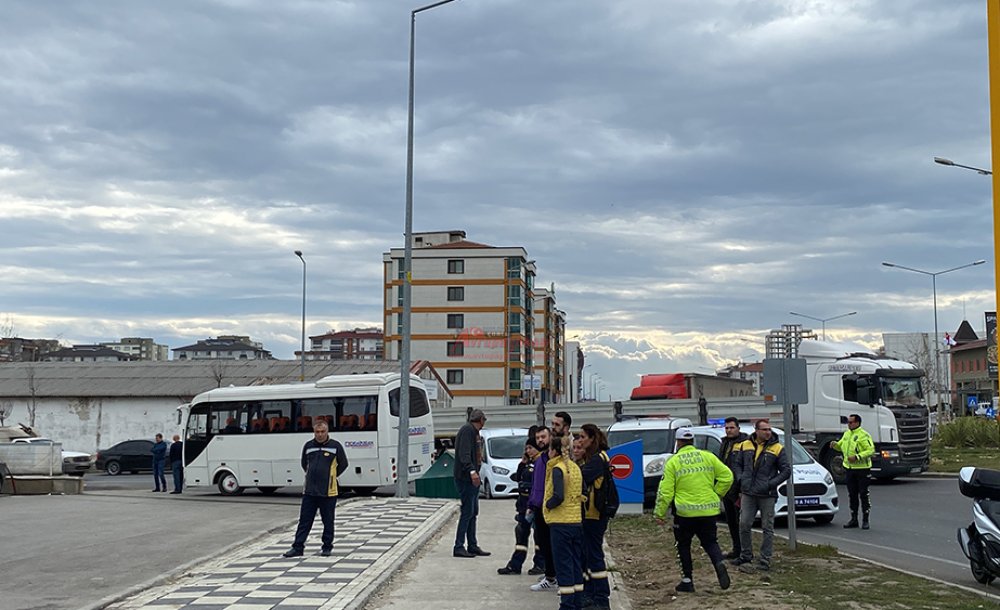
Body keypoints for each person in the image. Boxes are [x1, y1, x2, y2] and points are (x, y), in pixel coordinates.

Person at [653, 427, 733, 593]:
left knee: (683, 545)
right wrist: (716, 494)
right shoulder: (708, 457)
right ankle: (719, 562)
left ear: (678, 442)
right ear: (692, 441)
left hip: (684, 514)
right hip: (708, 512)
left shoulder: (673, 462)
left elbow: (665, 491)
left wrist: (659, 513)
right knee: (711, 542)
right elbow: (727, 476)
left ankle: (687, 580)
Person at [282, 420, 348, 557]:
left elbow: (343, 464)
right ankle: (298, 547)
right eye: (317, 432)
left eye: (322, 432)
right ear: (314, 432)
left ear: (327, 431)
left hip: (328, 492)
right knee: (304, 521)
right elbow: (304, 464)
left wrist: (331, 477)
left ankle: (327, 547)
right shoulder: (308, 446)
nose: (320, 435)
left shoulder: (336, 447)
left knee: (328, 521)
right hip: (310, 492)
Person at [733, 419, 790, 572]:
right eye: (764, 430)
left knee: (767, 527)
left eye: (769, 430)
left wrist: (770, 484)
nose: (767, 432)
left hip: (767, 494)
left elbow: (786, 471)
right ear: (756, 431)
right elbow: (737, 464)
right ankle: (746, 555)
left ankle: (765, 559)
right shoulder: (745, 445)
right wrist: (741, 478)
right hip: (748, 492)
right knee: (744, 524)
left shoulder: (777, 448)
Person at [543, 434, 585, 610]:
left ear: (554, 451)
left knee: (564, 565)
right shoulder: (575, 468)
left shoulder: (558, 469)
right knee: (576, 564)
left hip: (560, 523)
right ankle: (578, 602)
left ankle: (567, 605)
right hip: (576, 520)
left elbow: (558, 495)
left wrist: (548, 504)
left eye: (549, 450)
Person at [498, 430, 544, 575]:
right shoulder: (527, 463)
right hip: (524, 506)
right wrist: (522, 464)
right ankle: (515, 565)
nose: (528, 451)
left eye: (530, 448)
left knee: (539, 537)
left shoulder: (540, 463)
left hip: (535, 506)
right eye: (526, 448)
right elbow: (519, 478)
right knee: (521, 535)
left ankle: (540, 564)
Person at [578, 423, 612, 609]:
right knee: (588, 556)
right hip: (590, 514)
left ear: (592, 439)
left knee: (595, 556)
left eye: (583, 437)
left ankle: (601, 598)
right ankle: (590, 594)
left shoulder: (597, 460)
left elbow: (580, 478)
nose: (580, 440)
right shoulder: (594, 458)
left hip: (594, 515)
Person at [453, 409, 490, 558]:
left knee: (473, 511)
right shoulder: (468, 431)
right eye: (483, 421)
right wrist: (472, 471)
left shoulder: (473, 432)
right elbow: (464, 455)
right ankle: (459, 545)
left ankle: (472, 544)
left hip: (470, 478)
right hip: (465, 478)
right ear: (480, 420)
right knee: (467, 511)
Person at [830, 413, 875, 529]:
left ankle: (865, 519)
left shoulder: (863, 435)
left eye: (850, 422)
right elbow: (841, 446)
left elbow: (870, 450)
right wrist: (835, 445)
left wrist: (858, 457)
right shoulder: (847, 434)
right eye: (848, 422)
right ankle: (854, 519)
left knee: (863, 494)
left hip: (862, 469)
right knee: (852, 494)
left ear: (857, 423)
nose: (848, 424)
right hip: (849, 469)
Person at [528, 426, 558, 591]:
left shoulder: (554, 460)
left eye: (543, 437)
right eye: (538, 437)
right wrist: (531, 505)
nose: (540, 440)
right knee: (544, 544)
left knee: (555, 545)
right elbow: (536, 485)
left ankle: (558, 577)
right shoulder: (540, 460)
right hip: (538, 508)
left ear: (550, 437)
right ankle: (550, 577)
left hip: (552, 509)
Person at [718, 417, 748, 559]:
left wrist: (742, 489)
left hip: (739, 489)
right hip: (726, 488)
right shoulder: (724, 442)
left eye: (732, 428)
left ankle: (745, 551)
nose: (729, 430)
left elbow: (746, 467)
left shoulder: (745, 443)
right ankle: (736, 549)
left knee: (741, 522)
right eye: (727, 428)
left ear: (738, 428)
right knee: (731, 521)